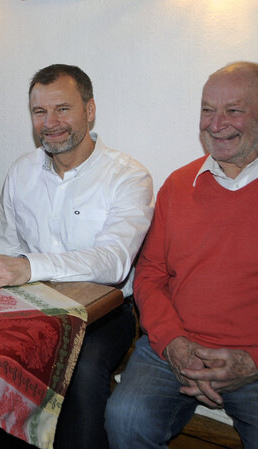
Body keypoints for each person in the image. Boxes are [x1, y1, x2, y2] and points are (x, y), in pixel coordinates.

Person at [0, 64, 154, 449]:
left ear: (90, 109)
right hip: (32, 305)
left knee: (78, 369)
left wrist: (30, 266)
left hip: (102, 313)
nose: (50, 123)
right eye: (39, 112)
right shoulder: (21, 171)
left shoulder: (129, 176)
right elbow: (1, 247)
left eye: (62, 109)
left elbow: (114, 262)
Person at [105, 62, 258, 448]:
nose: (216, 123)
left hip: (252, 359)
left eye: (234, 110)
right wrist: (173, 343)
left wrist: (254, 361)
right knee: (125, 417)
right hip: (173, 348)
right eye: (207, 110)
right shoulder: (178, 184)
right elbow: (150, 275)